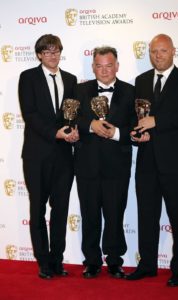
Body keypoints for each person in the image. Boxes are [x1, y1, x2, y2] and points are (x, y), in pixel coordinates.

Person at [125, 34, 178, 286]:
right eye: (154, 51)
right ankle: (147, 265)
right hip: (147, 162)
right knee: (146, 216)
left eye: (163, 51)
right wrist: (137, 134)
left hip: (176, 164)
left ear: (173, 51)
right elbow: (137, 117)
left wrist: (156, 121)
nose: (158, 55)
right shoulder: (141, 80)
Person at [18, 34, 78, 279]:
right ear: (39, 54)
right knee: (37, 209)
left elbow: (74, 114)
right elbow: (30, 114)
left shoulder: (72, 79)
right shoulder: (28, 78)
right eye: (47, 51)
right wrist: (55, 133)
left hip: (64, 156)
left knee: (61, 209)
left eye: (56, 51)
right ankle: (43, 261)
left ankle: (57, 259)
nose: (53, 55)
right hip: (37, 155)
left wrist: (73, 133)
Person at [74, 46, 137, 279]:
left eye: (109, 65)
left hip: (117, 168)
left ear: (117, 66)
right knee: (90, 215)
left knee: (114, 216)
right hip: (86, 166)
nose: (104, 70)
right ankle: (91, 262)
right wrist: (90, 125)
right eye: (99, 66)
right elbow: (68, 118)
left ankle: (114, 261)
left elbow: (136, 124)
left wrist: (117, 133)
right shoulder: (80, 89)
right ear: (93, 67)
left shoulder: (131, 92)